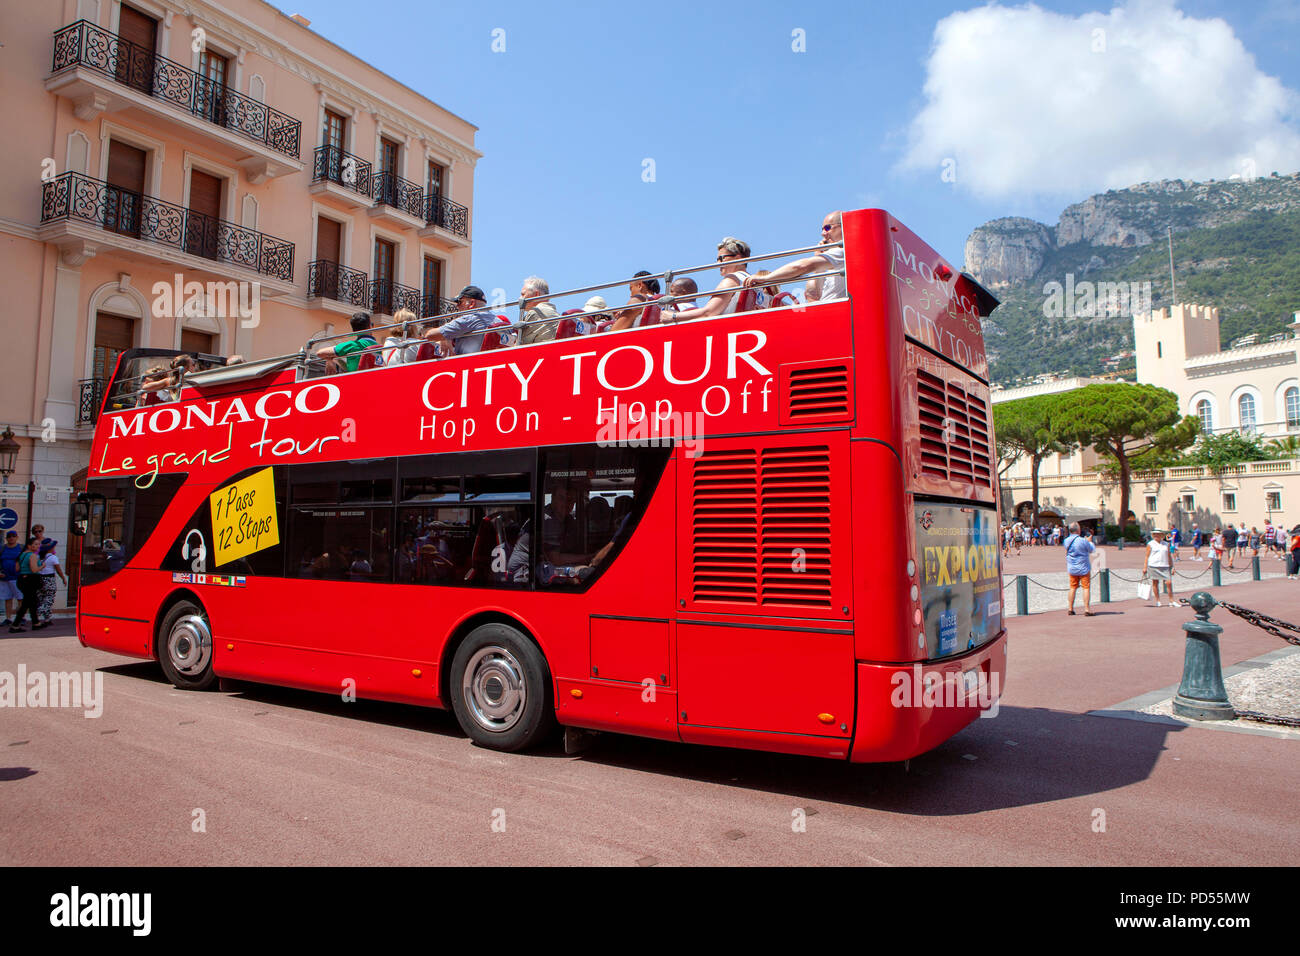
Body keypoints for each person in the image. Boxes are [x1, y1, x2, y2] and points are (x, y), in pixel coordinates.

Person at [742, 210, 847, 302]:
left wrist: (766, 278)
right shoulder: (838, 254)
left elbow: (801, 267)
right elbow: (818, 295)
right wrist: (819, 259)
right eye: (822, 229)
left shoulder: (841, 251)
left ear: (842, 226)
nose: (823, 233)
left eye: (828, 228)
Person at [664, 237, 754, 324]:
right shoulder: (754, 282)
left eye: (721, 258)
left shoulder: (731, 280)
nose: (718, 263)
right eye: (717, 259)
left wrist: (674, 316)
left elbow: (708, 313)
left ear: (738, 258)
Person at [424, 286, 503, 356]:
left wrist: (444, 337)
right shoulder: (498, 321)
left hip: (468, 366)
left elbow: (429, 335)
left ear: (471, 303)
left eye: (459, 302)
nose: (457, 306)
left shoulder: (470, 318)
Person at [9, 537, 43, 632]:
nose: (38, 546)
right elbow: (34, 570)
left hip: (22, 579)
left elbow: (17, 569)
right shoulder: (32, 555)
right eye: (35, 544)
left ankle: (36, 622)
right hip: (31, 580)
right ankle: (15, 625)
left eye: (38, 544)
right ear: (29, 545)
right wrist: (42, 566)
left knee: (32, 601)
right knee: (26, 603)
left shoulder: (22, 555)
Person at [1064, 522, 1096, 616]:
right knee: (1086, 587)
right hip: (1083, 568)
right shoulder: (1083, 540)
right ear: (1078, 530)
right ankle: (1087, 609)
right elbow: (1092, 550)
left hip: (1072, 567)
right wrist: (1089, 541)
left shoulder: (1066, 541)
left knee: (1072, 587)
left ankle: (1070, 608)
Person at [517, 276, 561, 345]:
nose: (520, 298)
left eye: (523, 294)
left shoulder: (535, 313)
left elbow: (519, 346)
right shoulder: (556, 314)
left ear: (536, 294)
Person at [1143, 528, 1175, 607]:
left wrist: (1172, 567)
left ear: (1162, 535)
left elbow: (1169, 556)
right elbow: (1147, 556)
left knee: (1168, 583)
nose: (1156, 536)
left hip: (1165, 565)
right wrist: (1145, 567)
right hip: (1153, 565)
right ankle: (1158, 601)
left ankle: (1171, 601)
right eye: (1154, 534)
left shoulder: (1166, 544)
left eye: (1158, 534)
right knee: (1155, 583)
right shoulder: (1150, 544)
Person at [37, 539, 66, 624]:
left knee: (42, 598)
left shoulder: (39, 557)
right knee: (49, 599)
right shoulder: (53, 558)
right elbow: (58, 570)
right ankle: (38, 611)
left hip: (40, 579)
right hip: (49, 579)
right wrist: (63, 578)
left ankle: (47, 618)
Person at [0, 530, 22, 626]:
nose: (11, 538)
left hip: (17, 577)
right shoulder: (3, 548)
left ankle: (21, 618)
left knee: (20, 598)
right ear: (6, 538)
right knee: (7, 598)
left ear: (17, 537)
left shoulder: (21, 548)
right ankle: (8, 618)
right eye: (9, 536)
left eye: (13, 536)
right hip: (4, 577)